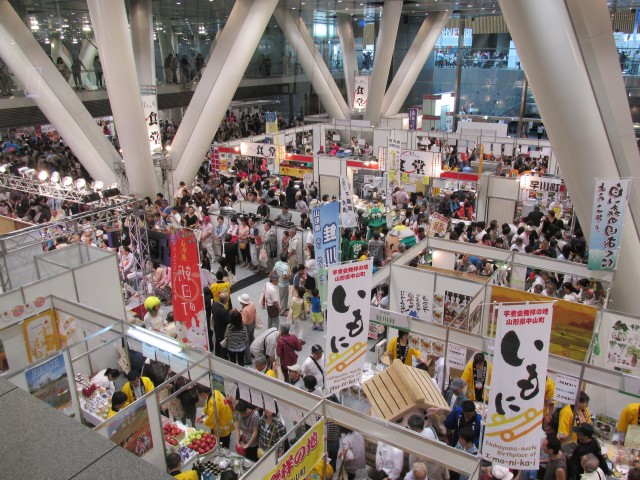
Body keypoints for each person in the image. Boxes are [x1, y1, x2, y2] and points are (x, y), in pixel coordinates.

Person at [237, 294, 257, 365]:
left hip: (247, 327)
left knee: (246, 343)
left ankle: (248, 359)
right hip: (252, 324)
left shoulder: (245, 310)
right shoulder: (252, 304)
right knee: (252, 338)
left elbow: (244, 322)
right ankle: (254, 353)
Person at [211, 291, 230, 358]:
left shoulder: (214, 304)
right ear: (225, 300)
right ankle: (224, 356)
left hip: (216, 327)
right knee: (223, 343)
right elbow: (228, 321)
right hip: (222, 329)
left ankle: (217, 354)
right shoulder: (223, 311)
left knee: (217, 341)